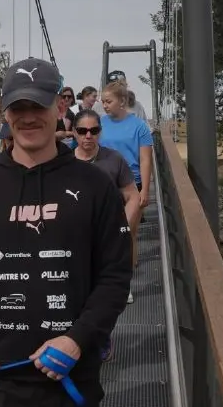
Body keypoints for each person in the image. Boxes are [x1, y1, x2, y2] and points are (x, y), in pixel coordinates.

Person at [0, 57, 132, 407]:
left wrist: (77, 338)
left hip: (70, 376)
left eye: (38, 104)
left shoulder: (95, 185)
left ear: (58, 106)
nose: (28, 116)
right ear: (5, 112)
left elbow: (115, 274)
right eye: (18, 106)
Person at [72, 108, 141, 361]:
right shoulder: (63, 161)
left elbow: (132, 195)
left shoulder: (114, 160)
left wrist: (122, 226)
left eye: (94, 131)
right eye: (82, 131)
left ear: (100, 132)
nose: (88, 136)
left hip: (105, 238)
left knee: (103, 292)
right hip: (72, 239)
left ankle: (101, 336)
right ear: (74, 133)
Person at [99, 81, 153, 303]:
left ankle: (125, 285)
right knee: (101, 238)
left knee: (127, 236)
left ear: (122, 101)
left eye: (108, 101)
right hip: (103, 185)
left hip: (131, 185)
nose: (104, 106)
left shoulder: (139, 126)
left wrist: (145, 191)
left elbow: (145, 159)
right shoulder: (99, 124)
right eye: (102, 101)